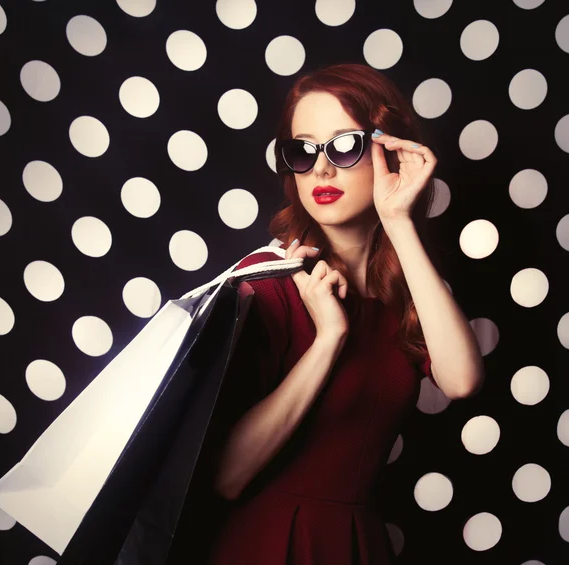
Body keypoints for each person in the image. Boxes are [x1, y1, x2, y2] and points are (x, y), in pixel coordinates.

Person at [171, 62, 485, 565]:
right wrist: (328, 340)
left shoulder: (407, 293)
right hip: (263, 548)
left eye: (344, 146)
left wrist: (399, 222)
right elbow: (227, 477)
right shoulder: (267, 280)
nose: (321, 169)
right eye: (302, 150)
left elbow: (462, 380)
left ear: (389, 152)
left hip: (357, 545)